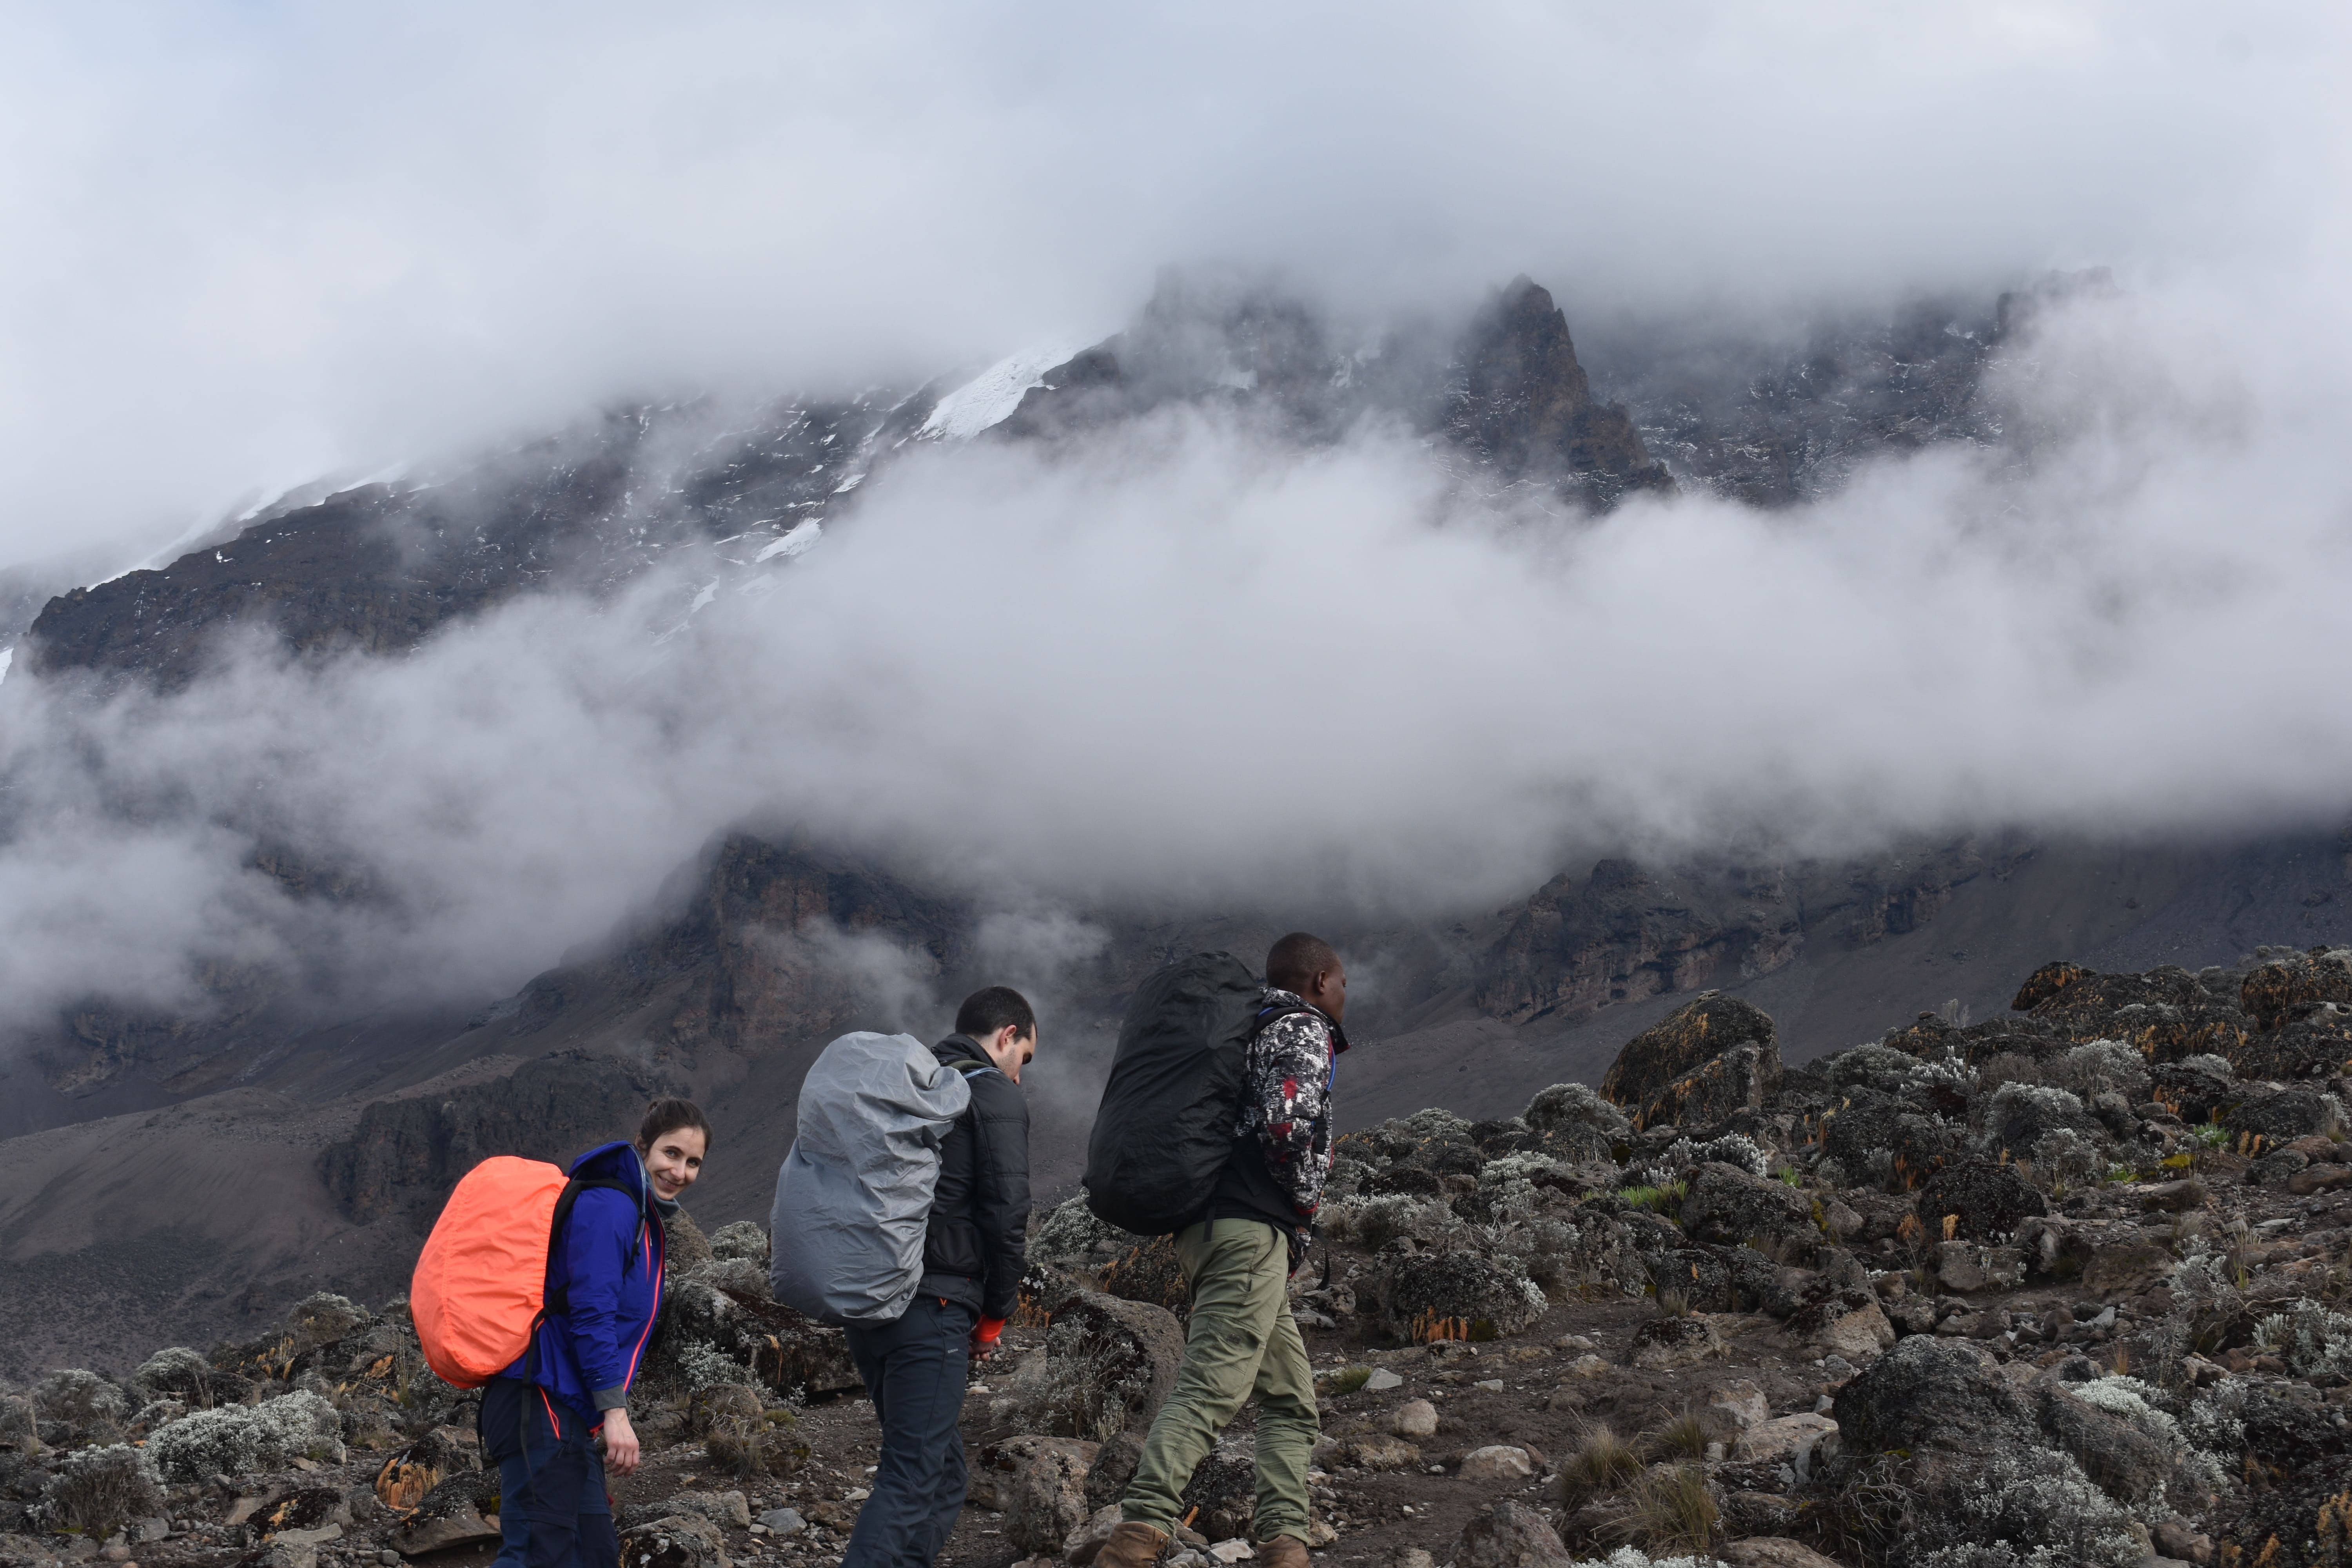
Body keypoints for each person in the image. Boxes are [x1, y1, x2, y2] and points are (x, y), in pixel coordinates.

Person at [1099, 934, 1349, 1568]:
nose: (1345, 995)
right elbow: (1287, 1124)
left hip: (1215, 1230)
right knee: (1213, 1384)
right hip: (1250, 1234)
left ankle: (1285, 1544)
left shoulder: (1247, 1028)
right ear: (1320, 981)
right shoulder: (1300, 1026)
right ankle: (1139, 1534)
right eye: (1342, 983)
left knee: (1290, 1397)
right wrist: (1304, 1204)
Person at [842, 987, 1037, 1568]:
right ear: (1006, 1036)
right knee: (910, 1475)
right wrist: (996, 1315)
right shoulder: (989, 1093)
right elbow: (1007, 1213)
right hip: (935, 1306)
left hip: (871, 1302)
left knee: (945, 1472)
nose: (1020, 1076)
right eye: (1024, 1058)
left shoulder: (908, 1088)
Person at [481, 1099, 712, 1568]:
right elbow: (592, 1313)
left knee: (594, 1554)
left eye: (693, 1162)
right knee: (537, 1554)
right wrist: (615, 1411)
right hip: (539, 1397)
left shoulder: (642, 1216)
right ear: (643, 1146)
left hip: (566, 1408)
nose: (680, 1171)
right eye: (671, 1154)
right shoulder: (612, 1206)